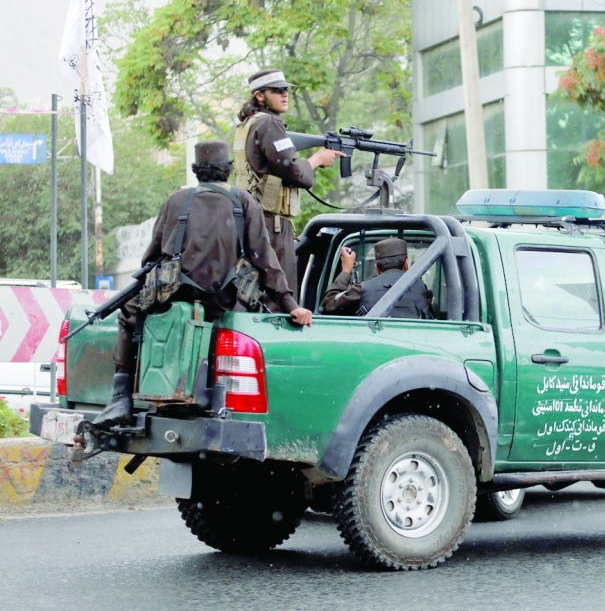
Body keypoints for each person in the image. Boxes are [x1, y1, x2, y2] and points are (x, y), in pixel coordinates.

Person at [93, 140, 313, 428]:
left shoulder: (176, 200)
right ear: (227, 171)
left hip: (174, 295)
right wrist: (291, 305)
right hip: (223, 300)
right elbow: (265, 260)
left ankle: (121, 397)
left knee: (129, 314)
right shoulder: (244, 201)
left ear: (197, 171)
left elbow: (152, 258)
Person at [233, 68, 344, 297]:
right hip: (271, 221)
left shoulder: (250, 123)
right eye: (278, 90)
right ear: (259, 95)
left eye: (286, 90)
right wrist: (316, 160)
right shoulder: (270, 124)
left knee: (257, 290)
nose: (285, 95)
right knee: (280, 293)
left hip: (255, 218)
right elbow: (292, 171)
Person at [320, 238, 433, 319]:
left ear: (377, 268)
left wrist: (346, 270)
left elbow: (327, 306)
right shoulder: (421, 289)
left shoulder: (362, 288)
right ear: (406, 264)